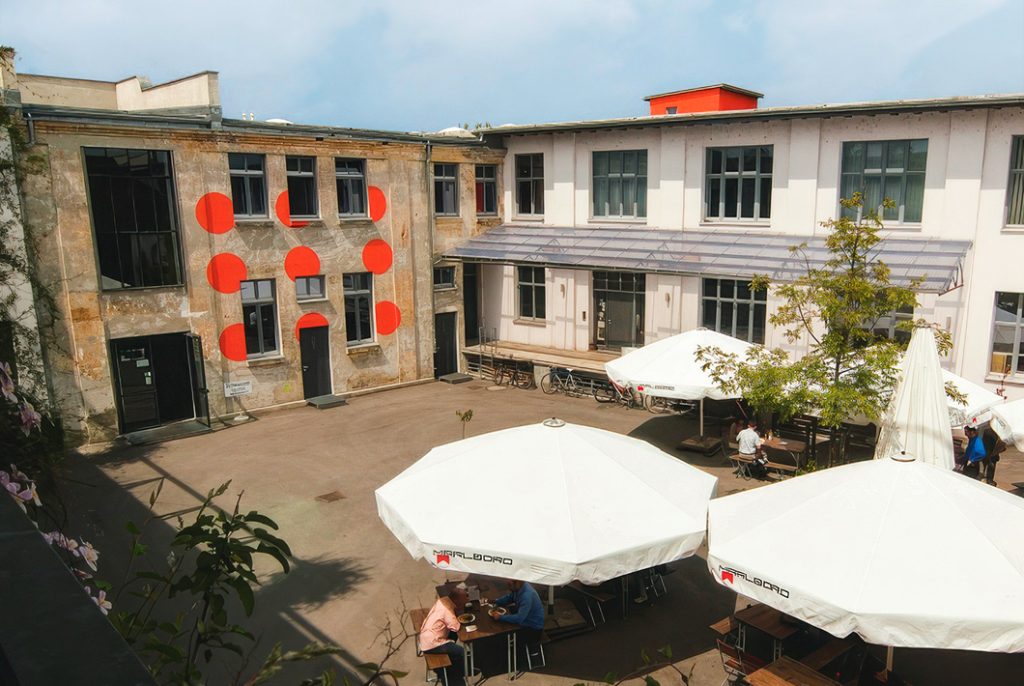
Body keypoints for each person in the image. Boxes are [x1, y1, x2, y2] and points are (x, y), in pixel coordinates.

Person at [420, 588, 468, 684]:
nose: (465, 601)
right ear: (456, 600)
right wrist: (460, 611)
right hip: (432, 643)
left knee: (453, 636)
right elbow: (456, 627)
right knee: (461, 651)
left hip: (426, 635)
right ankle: (459, 673)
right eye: (463, 599)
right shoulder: (448, 611)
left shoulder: (443, 600)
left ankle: (453, 658)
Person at [490, 580, 545, 652]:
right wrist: (496, 602)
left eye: (510, 585)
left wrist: (500, 617)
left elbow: (519, 618)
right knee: (503, 624)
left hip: (533, 629)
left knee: (502, 635)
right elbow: (510, 597)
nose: (508, 588)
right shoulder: (519, 587)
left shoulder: (526, 596)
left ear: (517, 582)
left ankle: (511, 654)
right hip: (526, 620)